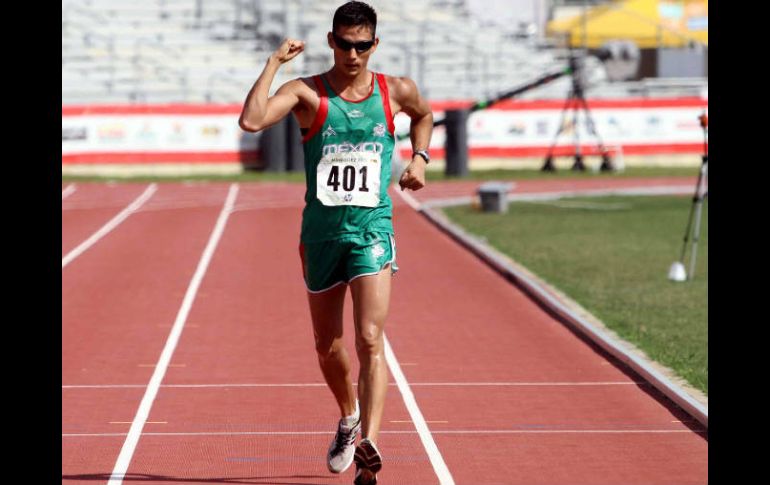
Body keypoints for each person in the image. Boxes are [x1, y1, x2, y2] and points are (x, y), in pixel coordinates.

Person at [238, 2, 433, 484]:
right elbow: (252, 120)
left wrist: (420, 158)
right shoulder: (308, 94)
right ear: (331, 42)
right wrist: (273, 64)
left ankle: (370, 444)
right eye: (345, 44)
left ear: (374, 45)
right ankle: (348, 418)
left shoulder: (397, 89)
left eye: (362, 45)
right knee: (328, 345)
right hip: (322, 235)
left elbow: (424, 116)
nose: (353, 54)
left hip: (372, 231)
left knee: (370, 337)